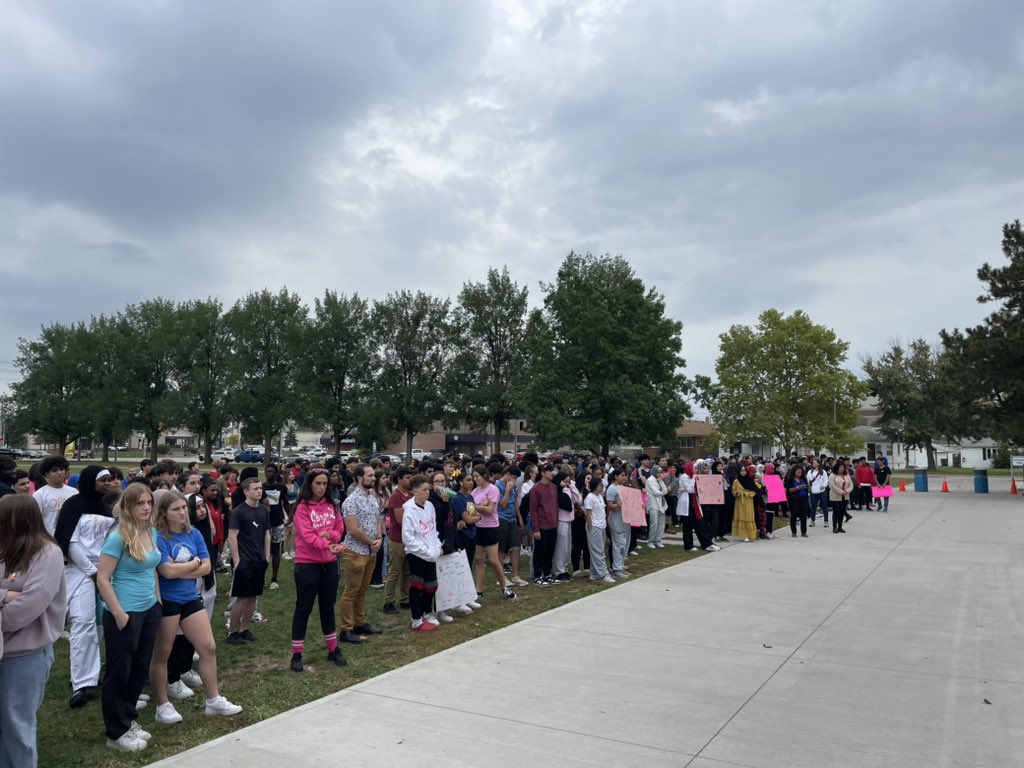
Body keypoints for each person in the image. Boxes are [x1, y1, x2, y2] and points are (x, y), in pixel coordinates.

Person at [150, 493, 241, 725]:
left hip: (190, 597)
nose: (182, 513)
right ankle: (162, 704)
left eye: (183, 507)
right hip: (167, 600)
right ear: (164, 513)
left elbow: (207, 566)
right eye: (175, 509)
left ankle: (213, 699)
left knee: (208, 647)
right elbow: (166, 572)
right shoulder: (158, 537)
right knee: (162, 653)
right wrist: (193, 565)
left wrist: (183, 567)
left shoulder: (195, 533)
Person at [0, 494, 67, 768]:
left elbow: (32, 604)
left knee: (17, 728)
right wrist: (8, 594)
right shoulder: (3, 548)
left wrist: (9, 600)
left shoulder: (48, 554)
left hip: (24, 656)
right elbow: (17, 599)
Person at [95, 483, 163, 752]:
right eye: (140, 503)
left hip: (149, 610)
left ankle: (128, 719)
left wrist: (157, 599)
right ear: (127, 507)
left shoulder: (150, 532)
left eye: (148, 502)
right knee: (119, 673)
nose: (146, 507)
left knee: (138, 670)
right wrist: (119, 613)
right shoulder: (117, 537)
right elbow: (102, 578)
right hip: (124, 613)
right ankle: (116, 732)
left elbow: (152, 567)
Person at [53, 466, 117, 708]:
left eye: (111, 479)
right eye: (104, 480)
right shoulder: (74, 505)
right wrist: (93, 573)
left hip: (109, 571)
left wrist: (105, 571)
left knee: (107, 624)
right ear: (91, 482)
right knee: (84, 622)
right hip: (79, 572)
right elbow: (69, 540)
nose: (109, 483)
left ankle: (106, 670)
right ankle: (82, 682)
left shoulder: (110, 506)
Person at [290, 468, 346, 672]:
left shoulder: (332, 505)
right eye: (318, 484)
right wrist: (326, 543)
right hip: (307, 564)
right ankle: (297, 653)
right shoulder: (302, 508)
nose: (322, 488)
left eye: (325, 484)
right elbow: (307, 536)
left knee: (327, 607)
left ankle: (333, 649)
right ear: (309, 485)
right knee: (303, 608)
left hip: (329, 562)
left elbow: (339, 529)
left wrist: (329, 537)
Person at [340, 464, 384, 644]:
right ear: (359, 478)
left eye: (374, 475)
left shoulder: (372, 498)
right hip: (356, 551)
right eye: (370, 475)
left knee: (362, 590)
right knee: (351, 591)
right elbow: (352, 529)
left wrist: (379, 538)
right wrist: (371, 542)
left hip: (370, 551)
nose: (374, 478)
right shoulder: (351, 501)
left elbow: (377, 519)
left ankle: (360, 623)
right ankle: (346, 629)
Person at [226, 477, 270, 645]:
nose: (259, 491)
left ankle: (244, 629)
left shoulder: (264, 511)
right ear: (246, 491)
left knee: (253, 597)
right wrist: (236, 559)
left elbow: (267, 534)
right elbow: (232, 536)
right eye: (255, 488)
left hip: (259, 560)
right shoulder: (239, 511)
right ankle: (233, 632)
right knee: (242, 598)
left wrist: (266, 556)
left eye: (260, 488)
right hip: (245, 561)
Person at [402, 476, 443, 631]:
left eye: (428, 490)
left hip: (431, 552)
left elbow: (433, 529)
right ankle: (416, 620)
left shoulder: (430, 506)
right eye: (424, 490)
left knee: (431, 586)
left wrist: (437, 546)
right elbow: (408, 537)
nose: (427, 493)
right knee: (417, 586)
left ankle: (427, 612)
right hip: (417, 554)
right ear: (414, 491)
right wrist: (425, 551)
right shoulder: (409, 511)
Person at [471, 465, 516, 600]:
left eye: (477, 476)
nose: (475, 479)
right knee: (479, 559)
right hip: (478, 527)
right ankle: (479, 590)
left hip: (490, 527)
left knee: (493, 559)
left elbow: (490, 509)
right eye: (473, 477)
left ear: (484, 475)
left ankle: (504, 587)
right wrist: (477, 508)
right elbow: (471, 511)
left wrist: (476, 507)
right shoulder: (474, 492)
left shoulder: (493, 489)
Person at [382, 467, 413, 615]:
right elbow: (401, 520)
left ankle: (405, 598)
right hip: (397, 539)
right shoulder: (396, 496)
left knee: (407, 570)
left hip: (410, 539)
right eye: (407, 477)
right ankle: (388, 601)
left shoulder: (411, 495)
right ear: (399, 479)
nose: (410, 480)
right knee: (394, 571)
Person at [495, 467, 528, 588]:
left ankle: (515, 576)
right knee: (501, 550)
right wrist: (508, 490)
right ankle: (501, 577)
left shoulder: (513, 486)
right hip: (501, 518)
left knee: (516, 547)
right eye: (513, 477)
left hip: (512, 519)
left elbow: (514, 503)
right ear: (508, 474)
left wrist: (519, 518)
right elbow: (502, 504)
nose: (514, 480)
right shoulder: (498, 487)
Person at [32, 455, 77, 535]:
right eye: (55, 470)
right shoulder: (39, 495)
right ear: (47, 474)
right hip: (49, 538)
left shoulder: (74, 492)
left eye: (61, 469)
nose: (59, 473)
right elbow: (35, 521)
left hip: (71, 537)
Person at [529, 464, 559, 585]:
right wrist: (536, 529)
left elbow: (555, 506)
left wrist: (556, 524)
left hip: (552, 525)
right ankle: (537, 575)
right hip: (542, 525)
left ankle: (547, 573)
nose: (552, 473)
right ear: (542, 473)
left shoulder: (553, 487)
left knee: (550, 551)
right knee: (540, 551)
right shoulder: (536, 489)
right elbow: (533, 510)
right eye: (549, 471)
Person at [263, 464, 291, 591]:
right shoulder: (261, 487)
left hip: (277, 522)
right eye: (267, 471)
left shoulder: (281, 487)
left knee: (276, 550)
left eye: (271, 471)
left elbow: (285, 502)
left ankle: (274, 578)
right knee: (262, 551)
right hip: (263, 523)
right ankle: (261, 577)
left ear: (275, 473)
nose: (269, 473)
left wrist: (289, 517)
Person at [583, 477, 614, 583]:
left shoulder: (600, 496)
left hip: (601, 526)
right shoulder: (590, 497)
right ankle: (603, 574)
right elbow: (588, 514)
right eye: (601, 485)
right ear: (595, 486)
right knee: (598, 552)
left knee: (598, 550)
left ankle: (594, 573)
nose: (602, 487)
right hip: (594, 526)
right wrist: (590, 529)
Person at [604, 469, 630, 576]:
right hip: (616, 518)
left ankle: (621, 565)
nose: (624, 478)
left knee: (624, 544)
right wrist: (618, 505)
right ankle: (616, 568)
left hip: (624, 518)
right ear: (616, 476)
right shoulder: (612, 489)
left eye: (625, 476)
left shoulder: (623, 488)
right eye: (622, 475)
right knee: (618, 544)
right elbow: (609, 505)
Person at [730, 465, 759, 542]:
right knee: (741, 516)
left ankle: (750, 534)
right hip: (739, 502)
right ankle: (743, 534)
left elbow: (755, 491)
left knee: (748, 516)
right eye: (741, 471)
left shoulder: (750, 480)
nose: (743, 472)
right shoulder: (736, 481)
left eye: (745, 471)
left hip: (748, 501)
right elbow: (733, 491)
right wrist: (737, 493)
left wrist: (747, 494)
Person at [645, 465, 668, 548]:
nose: (659, 474)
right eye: (658, 472)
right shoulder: (650, 480)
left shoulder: (659, 480)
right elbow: (656, 492)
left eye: (660, 472)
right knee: (654, 523)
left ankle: (657, 540)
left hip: (661, 504)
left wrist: (661, 482)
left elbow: (665, 490)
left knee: (661, 524)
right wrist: (663, 491)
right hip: (653, 504)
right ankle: (651, 541)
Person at [787, 465, 810, 538]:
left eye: (801, 472)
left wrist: (807, 487)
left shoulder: (803, 479)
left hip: (804, 499)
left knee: (803, 516)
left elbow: (807, 487)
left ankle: (804, 532)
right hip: (795, 499)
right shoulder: (790, 479)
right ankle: (794, 532)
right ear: (794, 472)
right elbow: (789, 490)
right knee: (794, 516)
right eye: (798, 472)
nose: (800, 473)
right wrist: (798, 488)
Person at [828, 465, 853, 533]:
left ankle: (840, 527)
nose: (842, 469)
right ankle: (834, 527)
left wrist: (847, 491)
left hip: (845, 497)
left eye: (843, 467)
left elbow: (851, 485)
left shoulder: (846, 476)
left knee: (842, 512)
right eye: (840, 467)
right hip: (835, 497)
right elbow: (832, 486)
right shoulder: (832, 475)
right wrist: (841, 492)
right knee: (836, 512)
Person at [807, 459, 829, 527]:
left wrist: (823, 485)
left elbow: (826, 480)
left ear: (818, 464)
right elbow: (808, 480)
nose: (813, 463)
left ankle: (826, 521)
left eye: (815, 462)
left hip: (822, 491)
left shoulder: (823, 472)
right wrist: (809, 486)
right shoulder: (810, 472)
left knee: (824, 506)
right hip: (813, 491)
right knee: (813, 507)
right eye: (813, 462)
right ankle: (812, 521)